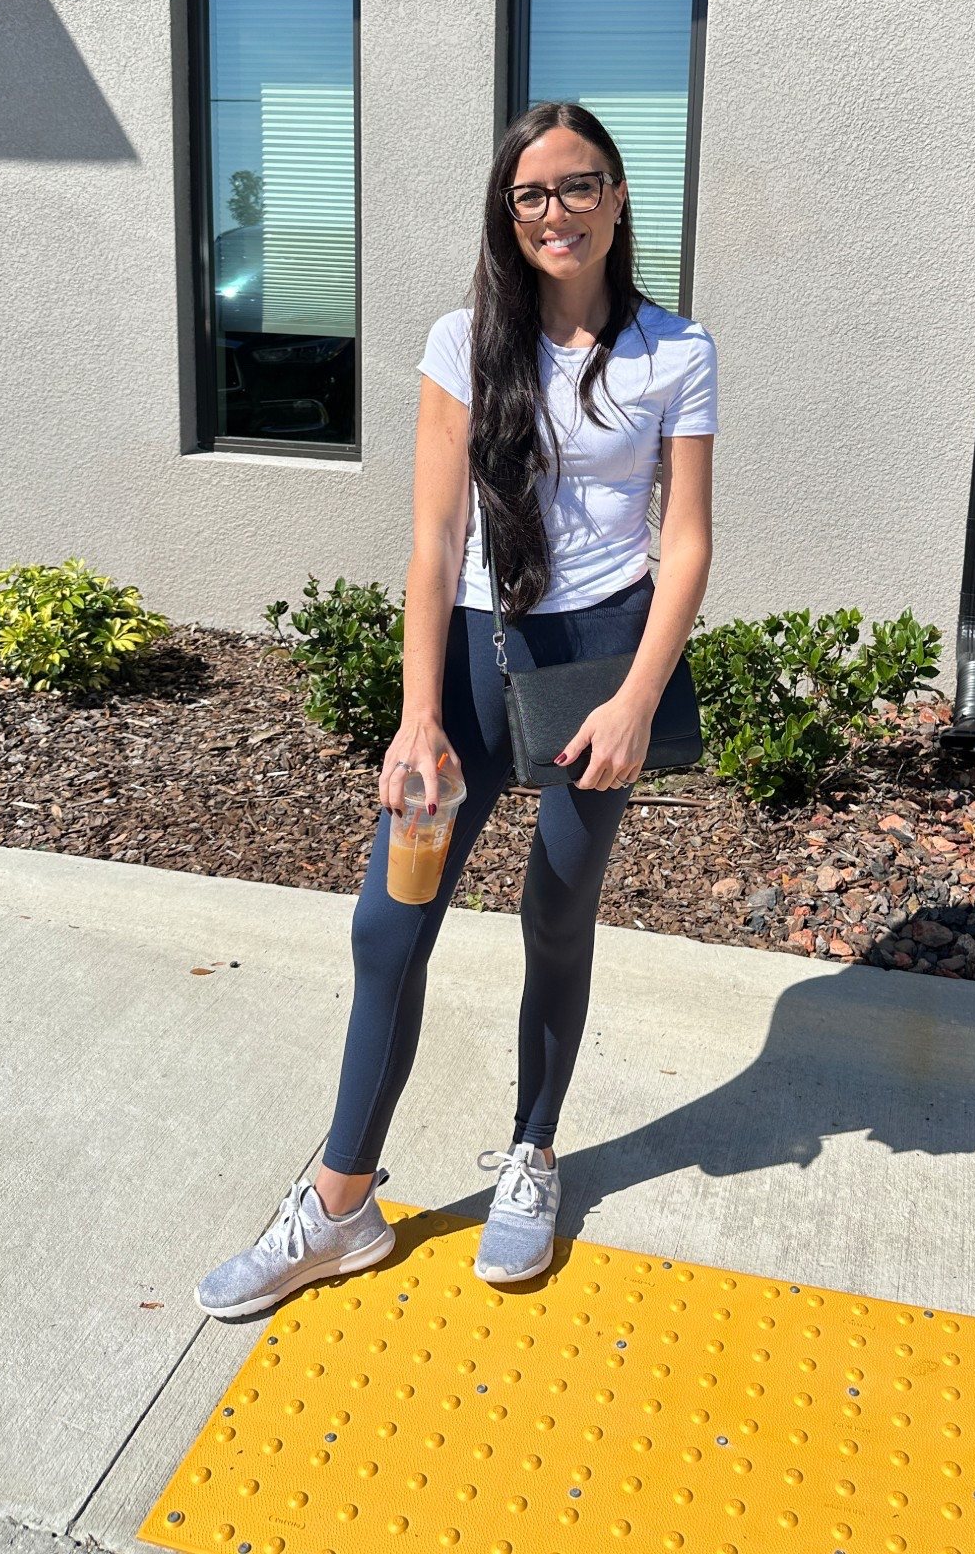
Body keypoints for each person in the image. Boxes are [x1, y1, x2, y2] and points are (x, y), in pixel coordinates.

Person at [196, 101, 717, 1318]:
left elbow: (683, 544)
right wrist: (416, 711)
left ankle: (534, 1152)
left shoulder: (674, 350)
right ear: (508, 211)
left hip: (599, 660)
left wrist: (642, 694)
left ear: (618, 196)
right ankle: (339, 1205)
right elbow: (432, 540)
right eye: (532, 194)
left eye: (578, 186)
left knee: (557, 910)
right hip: (479, 659)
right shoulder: (459, 342)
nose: (556, 211)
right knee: (390, 921)